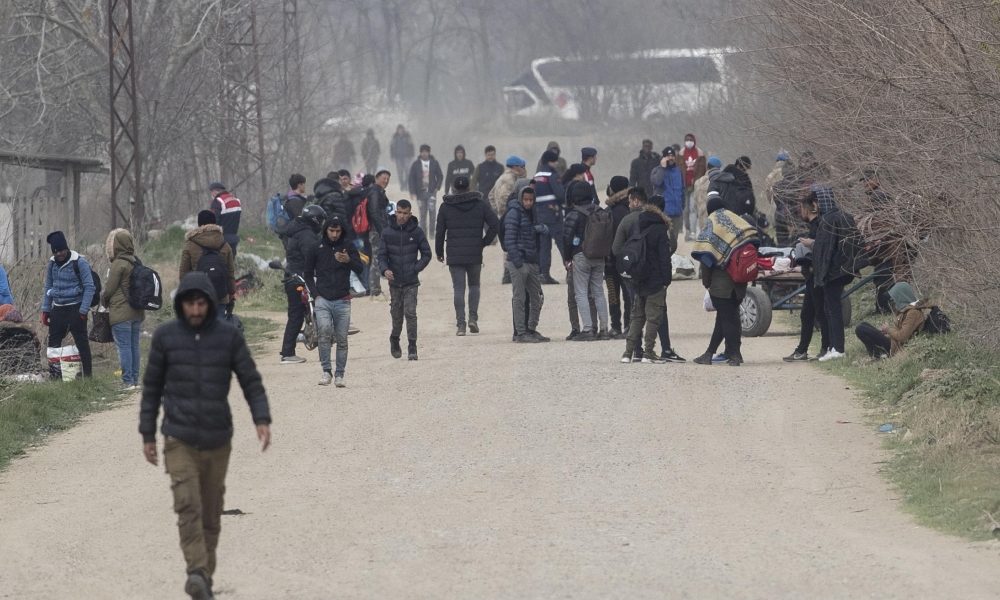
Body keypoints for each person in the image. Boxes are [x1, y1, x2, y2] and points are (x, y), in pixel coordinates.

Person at [139, 271, 271, 600]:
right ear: (181, 305)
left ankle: (204, 577)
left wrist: (261, 418)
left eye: (201, 304)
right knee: (188, 506)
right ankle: (196, 570)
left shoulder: (228, 336)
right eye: (189, 304)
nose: (195, 311)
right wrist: (147, 434)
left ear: (210, 304)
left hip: (217, 438)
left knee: (211, 514)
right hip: (178, 437)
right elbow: (152, 388)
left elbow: (250, 379)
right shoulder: (165, 337)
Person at [691, 198, 759, 366]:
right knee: (727, 318)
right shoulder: (735, 221)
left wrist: (707, 282)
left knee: (727, 320)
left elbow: (707, 256)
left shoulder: (712, 223)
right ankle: (712, 353)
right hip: (739, 282)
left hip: (722, 285)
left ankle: (734, 355)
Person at [435, 176, 500, 336]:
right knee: (474, 286)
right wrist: (484, 242)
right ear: (469, 187)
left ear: (453, 188)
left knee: (458, 289)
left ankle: (461, 325)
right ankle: (473, 318)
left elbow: (439, 232)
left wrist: (439, 252)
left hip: (455, 254)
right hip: (474, 252)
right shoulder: (480, 204)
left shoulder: (445, 206)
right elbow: (495, 224)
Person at [304, 215, 364, 386]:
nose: (335, 234)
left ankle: (340, 374)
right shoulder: (316, 247)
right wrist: (316, 295)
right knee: (323, 332)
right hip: (322, 299)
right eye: (332, 230)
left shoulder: (348, 246)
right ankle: (326, 371)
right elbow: (307, 273)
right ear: (326, 230)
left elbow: (360, 268)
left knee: (342, 338)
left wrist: (349, 260)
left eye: (338, 231)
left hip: (343, 299)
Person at [808, 186, 863, 362]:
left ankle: (837, 348)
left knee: (832, 310)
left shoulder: (828, 220)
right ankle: (833, 346)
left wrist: (820, 277)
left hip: (833, 273)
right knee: (831, 309)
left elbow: (824, 252)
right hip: (845, 270)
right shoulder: (844, 216)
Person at [619, 193, 673, 364]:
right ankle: (649, 352)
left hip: (638, 277)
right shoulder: (660, 228)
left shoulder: (638, 223)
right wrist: (666, 280)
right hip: (655, 279)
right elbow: (664, 258)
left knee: (637, 317)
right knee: (653, 317)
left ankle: (628, 353)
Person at [378, 200, 432, 360]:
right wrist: (385, 269)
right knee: (396, 314)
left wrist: (416, 268)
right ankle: (394, 338)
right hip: (394, 282)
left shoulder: (417, 232)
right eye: (399, 212)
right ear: (396, 212)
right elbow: (381, 255)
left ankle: (412, 346)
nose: (401, 216)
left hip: (411, 281)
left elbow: (427, 254)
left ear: (410, 214)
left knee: (410, 313)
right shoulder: (387, 232)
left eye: (405, 213)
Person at [562, 171, 609, 341]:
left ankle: (588, 329)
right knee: (598, 291)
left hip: (580, 255)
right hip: (600, 256)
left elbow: (567, 238)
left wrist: (567, 258)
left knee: (581, 293)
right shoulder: (601, 211)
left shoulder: (573, 214)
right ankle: (604, 329)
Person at [41, 231, 94, 378]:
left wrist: (83, 310)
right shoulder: (52, 264)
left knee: (82, 344)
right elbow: (48, 286)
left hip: (76, 309)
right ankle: (56, 377)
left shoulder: (80, 262)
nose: (60, 254)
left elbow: (90, 287)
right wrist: (45, 310)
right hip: (57, 309)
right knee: (53, 345)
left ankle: (88, 377)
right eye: (56, 252)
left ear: (67, 248)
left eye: (62, 251)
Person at [782, 196, 829, 362]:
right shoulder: (812, 226)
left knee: (820, 313)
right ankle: (802, 350)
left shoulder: (819, 225)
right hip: (811, 277)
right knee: (806, 314)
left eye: (802, 208)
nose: (800, 211)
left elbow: (822, 248)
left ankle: (826, 347)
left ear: (809, 208)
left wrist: (809, 245)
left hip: (816, 275)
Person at [278, 205, 325, 364]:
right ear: (315, 220)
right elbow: (312, 257)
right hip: (300, 277)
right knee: (297, 315)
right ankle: (288, 353)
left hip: (293, 275)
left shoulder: (296, 230)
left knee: (296, 314)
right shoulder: (306, 235)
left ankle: (298, 340)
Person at [505, 187, 549, 343]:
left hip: (531, 261)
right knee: (520, 298)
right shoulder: (513, 213)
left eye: (531, 200)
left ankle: (531, 329)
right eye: (526, 200)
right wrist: (518, 262)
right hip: (519, 262)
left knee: (536, 297)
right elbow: (508, 240)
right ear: (520, 199)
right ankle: (521, 332)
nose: (528, 203)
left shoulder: (533, 213)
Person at [102, 229, 144, 389]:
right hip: (137, 311)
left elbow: (110, 289)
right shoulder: (136, 261)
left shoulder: (118, 263)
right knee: (134, 346)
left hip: (121, 312)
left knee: (124, 347)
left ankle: (127, 382)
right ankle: (134, 380)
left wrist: (103, 300)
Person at [180, 211, 237, 322]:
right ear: (215, 224)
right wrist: (231, 292)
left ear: (199, 224)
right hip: (221, 295)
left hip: (198, 296)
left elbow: (183, 274)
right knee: (219, 328)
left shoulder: (190, 244)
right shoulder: (225, 244)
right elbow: (230, 273)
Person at [855, 282, 926, 359]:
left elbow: (902, 337)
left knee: (860, 329)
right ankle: (878, 353)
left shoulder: (913, 313)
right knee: (864, 324)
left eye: (894, 298)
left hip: (894, 347)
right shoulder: (909, 310)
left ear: (901, 296)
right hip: (893, 341)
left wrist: (888, 329)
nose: (894, 302)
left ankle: (878, 354)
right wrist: (887, 332)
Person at [533, 149, 566, 284]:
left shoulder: (537, 176)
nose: (557, 163)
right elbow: (560, 194)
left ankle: (544, 274)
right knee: (562, 243)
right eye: (555, 161)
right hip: (553, 214)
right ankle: (572, 271)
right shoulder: (552, 175)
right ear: (551, 161)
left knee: (544, 246)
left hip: (540, 214)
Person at [604, 177, 632, 338]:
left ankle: (615, 326)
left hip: (609, 261)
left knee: (613, 293)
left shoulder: (610, 211)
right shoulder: (630, 209)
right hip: (627, 261)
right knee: (629, 294)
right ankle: (629, 325)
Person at [650, 147, 685, 254]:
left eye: (672, 156)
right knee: (663, 241)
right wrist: (663, 168)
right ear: (663, 157)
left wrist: (682, 205)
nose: (670, 158)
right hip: (663, 213)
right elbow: (657, 182)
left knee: (673, 243)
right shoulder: (657, 170)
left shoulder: (678, 171)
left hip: (677, 213)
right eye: (668, 156)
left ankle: (669, 261)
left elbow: (682, 190)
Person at [408, 144, 444, 238]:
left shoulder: (434, 163)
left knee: (432, 213)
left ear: (429, 152)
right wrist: (412, 192)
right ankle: (424, 234)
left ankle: (432, 234)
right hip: (420, 193)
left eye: (426, 151)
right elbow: (411, 178)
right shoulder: (415, 164)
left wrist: (437, 187)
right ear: (420, 153)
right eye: (422, 152)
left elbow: (440, 176)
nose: (424, 153)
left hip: (431, 192)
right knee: (422, 214)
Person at [366, 170, 392, 299]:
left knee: (377, 257)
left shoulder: (377, 191)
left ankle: (376, 288)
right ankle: (374, 289)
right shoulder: (375, 192)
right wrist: (383, 230)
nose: (386, 181)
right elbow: (375, 212)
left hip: (378, 228)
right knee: (376, 258)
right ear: (376, 178)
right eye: (383, 178)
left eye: (388, 179)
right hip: (376, 230)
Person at [681, 133, 704, 240]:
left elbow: (702, 170)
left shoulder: (699, 153)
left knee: (693, 209)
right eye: (687, 140)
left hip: (695, 186)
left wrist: (695, 182)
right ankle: (688, 230)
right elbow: (678, 169)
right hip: (684, 186)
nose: (689, 141)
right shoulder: (681, 153)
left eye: (691, 139)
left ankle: (694, 232)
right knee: (685, 209)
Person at [208, 182, 242, 254]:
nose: (211, 195)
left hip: (221, 239)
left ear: (215, 191)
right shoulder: (236, 200)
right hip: (233, 238)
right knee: (231, 261)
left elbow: (213, 221)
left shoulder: (218, 201)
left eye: (211, 192)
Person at [693, 156, 723, 234]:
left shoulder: (698, 182)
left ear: (707, 167)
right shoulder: (721, 182)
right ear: (719, 168)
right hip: (717, 220)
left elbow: (695, 203)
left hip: (702, 218)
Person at [390, 124, 415, 191]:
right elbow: (392, 147)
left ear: (403, 130)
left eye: (401, 129)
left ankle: (405, 185)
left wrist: (412, 155)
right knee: (400, 173)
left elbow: (411, 145)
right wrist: (392, 156)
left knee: (407, 172)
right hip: (398, 157)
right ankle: (402, 185)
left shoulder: (407, 136)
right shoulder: (395, 137)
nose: (400, 131)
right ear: (397, 130)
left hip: (407, 156)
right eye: (399, 129)